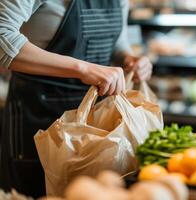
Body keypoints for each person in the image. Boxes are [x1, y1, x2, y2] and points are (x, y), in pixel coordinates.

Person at [0, 0, 153, 197]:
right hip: (39, 118)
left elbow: (118, 42)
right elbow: (3, 37)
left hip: (97, 123)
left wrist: (129, 59)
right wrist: (82, 68)